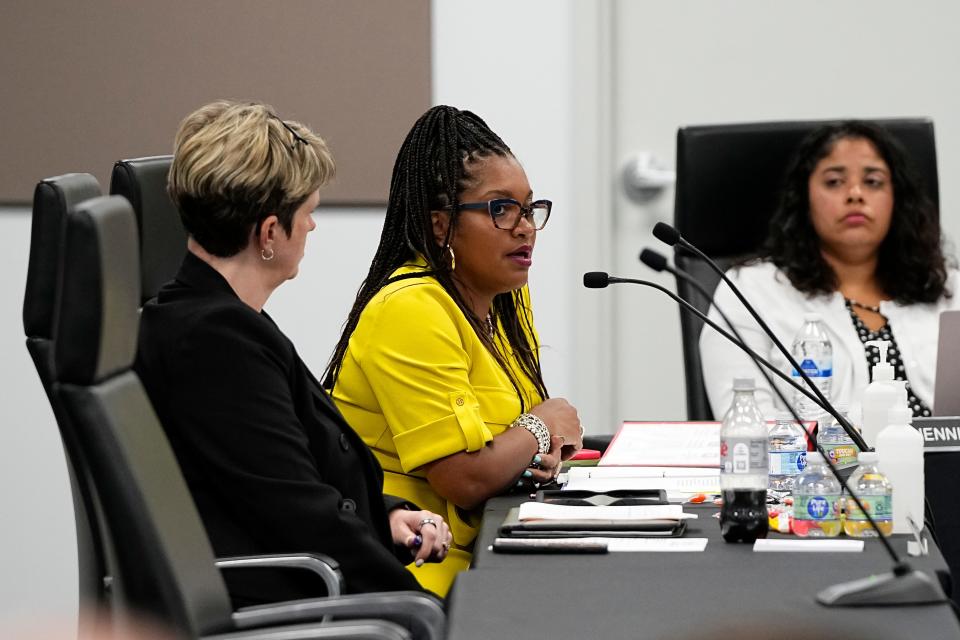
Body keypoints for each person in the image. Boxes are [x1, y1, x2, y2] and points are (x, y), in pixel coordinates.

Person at [135, 100, 451, 605]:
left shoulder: (221, 319)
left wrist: (385, 514)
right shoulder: (215, 343)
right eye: (308, 213)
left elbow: (289, 478)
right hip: (287, 600)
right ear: (268, 233)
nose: (311, 228)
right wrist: (426, 607)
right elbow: (298, 514)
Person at [325, 105, 584, 595]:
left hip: (489, 540)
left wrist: (535, 453)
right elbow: (464, 477)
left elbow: (510, 434)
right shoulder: (411, 308)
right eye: (501, 209)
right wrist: (541, 429)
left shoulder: (503, 298)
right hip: (417, 564)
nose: (525, 227)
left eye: (529, 208)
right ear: (441, 225)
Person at [700, 120, 959, 418]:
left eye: (873, 181)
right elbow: (746, 423)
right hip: (818, 463)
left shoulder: (949, 288)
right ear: (804, 199)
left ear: (897, 199)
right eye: (834, 181)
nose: (855, 194)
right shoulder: (750, 291)